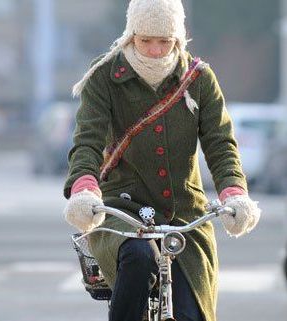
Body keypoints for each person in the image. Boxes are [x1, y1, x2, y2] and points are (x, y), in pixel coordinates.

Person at [63, 1, 261, 321]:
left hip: (184, 214)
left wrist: (234, 192)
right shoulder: (105, 76)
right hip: (121, 211)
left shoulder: (199, 78)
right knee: (139, 257)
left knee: (191, 313)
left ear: (178, 40)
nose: (155, 50)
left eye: (165, 41)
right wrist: (85, 188)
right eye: (146, 40)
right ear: (131, 36)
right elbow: (87, 141)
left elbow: (221, 144)